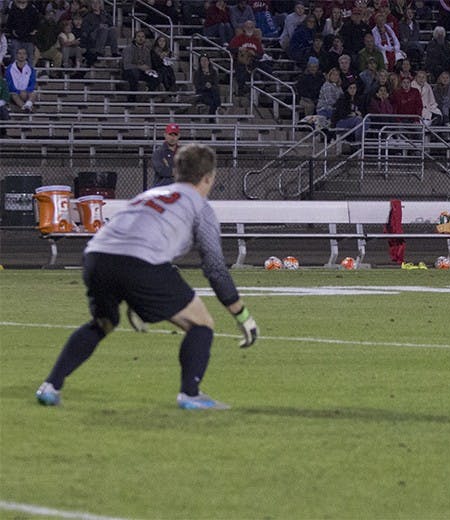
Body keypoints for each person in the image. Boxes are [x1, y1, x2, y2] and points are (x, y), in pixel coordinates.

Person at [35, 143, 259, 410]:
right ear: (209, 177)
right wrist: (242, 315)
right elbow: (214, 268)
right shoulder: (201, 207)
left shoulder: (149, 194)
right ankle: (190, 394)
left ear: (176, 171)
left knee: (103, 322)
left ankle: (51, 385)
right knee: (201, 324)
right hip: (139, 264)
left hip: (96, 256)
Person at [5, 47, 38, 112]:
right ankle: (26, 107)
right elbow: (9, 84)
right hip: (15, 93)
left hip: (26, 93)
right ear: (16, 55)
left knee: (34, 94)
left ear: (26, 56)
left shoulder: (30, 69)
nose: (22, 55)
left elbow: (32, 83)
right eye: (19, 53)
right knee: (13, 95)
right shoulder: (10, 68)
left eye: (24, 54)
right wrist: (19, 92)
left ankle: (27, 106)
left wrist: (26, 91)